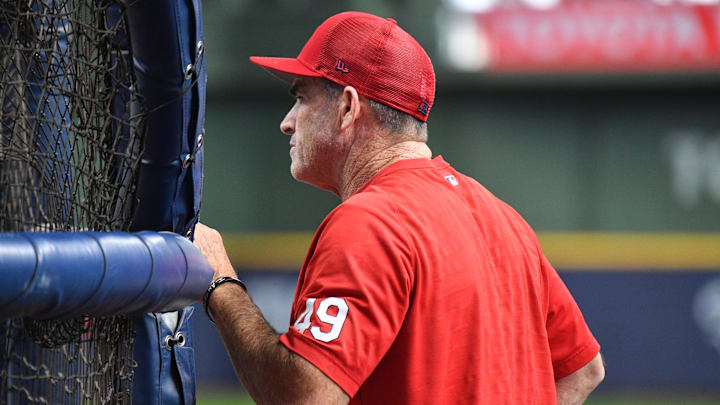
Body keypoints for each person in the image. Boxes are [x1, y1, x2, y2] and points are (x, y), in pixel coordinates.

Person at [193, 11, 604, 405]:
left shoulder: (370, 222)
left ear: (348, 108)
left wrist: (221, 285)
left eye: (302, 98)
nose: (288, 121)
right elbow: (583, 370)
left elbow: (306, 396)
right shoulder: (503, 218)